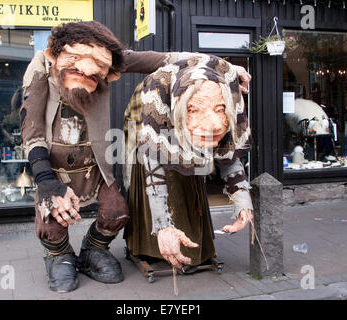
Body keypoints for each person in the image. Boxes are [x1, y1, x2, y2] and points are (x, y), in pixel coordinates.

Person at [20, 20, 252, 293]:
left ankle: (94, 250)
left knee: (117, 210)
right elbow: (31, 125)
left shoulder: (107, 59)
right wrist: (45, 178)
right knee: (53, 218)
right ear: (54, 54)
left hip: (93, 162)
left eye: (97, 68)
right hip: (54, 163)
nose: (87, 69)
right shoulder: (41, 65)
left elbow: (164, 58)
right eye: (74, 59)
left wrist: (221, 66)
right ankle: (59, 256)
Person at [123, 54, 253, 269]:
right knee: (162, 173)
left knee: (192, 173)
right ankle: (150, 247)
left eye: (220, 110)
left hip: (187, 134)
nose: (212, 124)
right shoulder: (156, 96)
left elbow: (227, 152)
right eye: (194, 109)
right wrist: (163, 227)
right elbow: (153, 165)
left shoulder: (226, 86)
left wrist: (242, 202)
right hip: (149, 132)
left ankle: (196, 247)